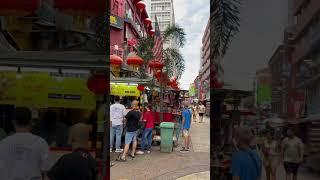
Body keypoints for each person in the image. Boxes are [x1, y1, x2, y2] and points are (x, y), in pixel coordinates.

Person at [0, 107, 51, 180]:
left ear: (13, 122)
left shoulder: (3, 144)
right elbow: (46, 172)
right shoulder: (41, 143)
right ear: (31, 122)